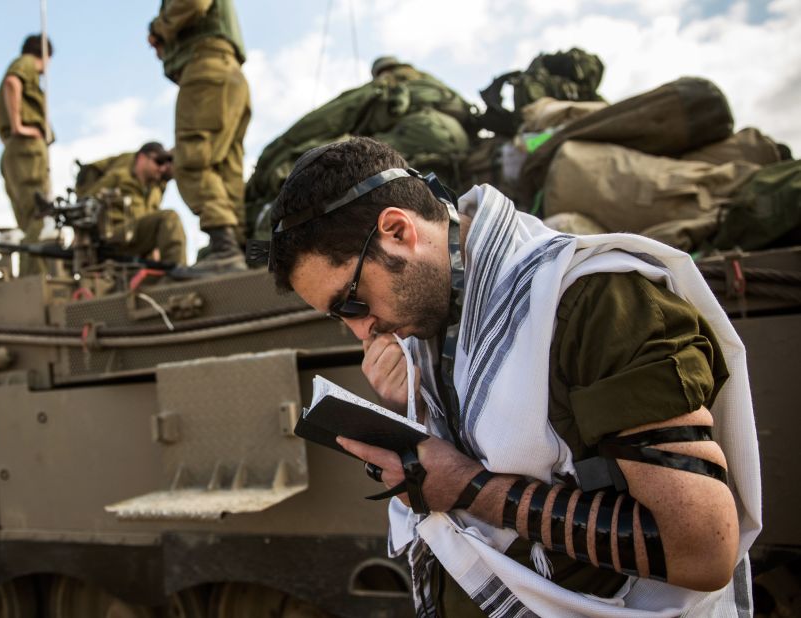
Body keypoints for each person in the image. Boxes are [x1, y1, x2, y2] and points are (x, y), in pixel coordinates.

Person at [264, 137, 760, 616]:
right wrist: (412, 411)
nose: (361, 331)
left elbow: (701, 548)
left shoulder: (593, 303)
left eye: (352, 301)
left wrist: (467, 489)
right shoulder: (431, 324)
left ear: (398, 231)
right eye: (340, 317)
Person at [148, 0, 251, 272]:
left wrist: (160, 29)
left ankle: (225, 248)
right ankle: (237, 248)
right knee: (225, 168)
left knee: (192, 161)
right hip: (228, 73)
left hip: (206, 70)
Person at [0, 34, 54, 277]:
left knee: (30, 220)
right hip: (27, 148)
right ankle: (33, 279)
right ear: (45, 55)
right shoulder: (27, 63)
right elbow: (12, 82)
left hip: (15, 149)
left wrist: (13, 134)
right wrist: (20, 128)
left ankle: (31, 276)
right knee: (42, 215)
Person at [81, 142, 186, 266]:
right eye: (158, 162)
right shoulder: (119, 177)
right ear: (142, 158)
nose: (162, 168)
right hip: (116, 236)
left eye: (164, 164)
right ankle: (177, 272)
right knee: (169, 217)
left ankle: (169, 272)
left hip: (137, 239)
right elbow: (86, 202)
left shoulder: (155, 191)